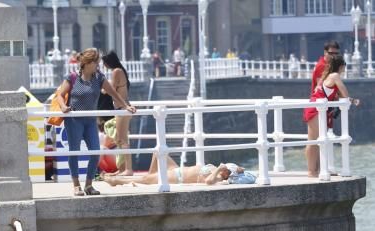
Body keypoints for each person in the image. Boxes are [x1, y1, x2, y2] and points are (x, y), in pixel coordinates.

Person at [55, 47, 136, 197]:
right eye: (96, 63)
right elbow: (60, 94)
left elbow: (113, 93)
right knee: (74, 152)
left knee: (95, 152)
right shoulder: (72, 78)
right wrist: (63, 106)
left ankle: (89, 185)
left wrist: (126, 106)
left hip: (90, 121)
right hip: (74, 121)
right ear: (87, 63)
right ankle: (76, 186)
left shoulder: (99, 78)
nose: (98, 66)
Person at [303, 55, 359, 178]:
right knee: (313, 141)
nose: (344, 70)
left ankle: (315, 170)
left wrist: (352, 100)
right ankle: (312, 172)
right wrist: (352, 100)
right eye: (344, 67)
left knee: (315, 140)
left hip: (316, 107)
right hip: (316, 109)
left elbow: (336, 95)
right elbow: (344, 93)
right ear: (341, 66)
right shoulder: (334, 76)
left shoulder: (327, 76)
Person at [102, 154, 255, 187]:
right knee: (158, 153)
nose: (226, 167)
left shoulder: (218, 178)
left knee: (144, 180)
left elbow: (208, 182)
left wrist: (219, 171)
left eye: (228, 169)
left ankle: (115, 181)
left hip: (177, 177)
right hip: (177, 169)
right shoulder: (218, 170)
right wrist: (239, 169)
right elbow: (243, 172)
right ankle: (150, 177)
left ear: (227, 174)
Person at [102, 51, 133, 176]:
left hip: (122, 109)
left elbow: (110, 90)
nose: (103, 65)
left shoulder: (116, 72)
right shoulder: (120, 71)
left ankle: (128, 170)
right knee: (120, 140)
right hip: (122, 108)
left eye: (104, 63)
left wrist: (101, 88)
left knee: (122, 140)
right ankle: (122, 169)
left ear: (108, 62)